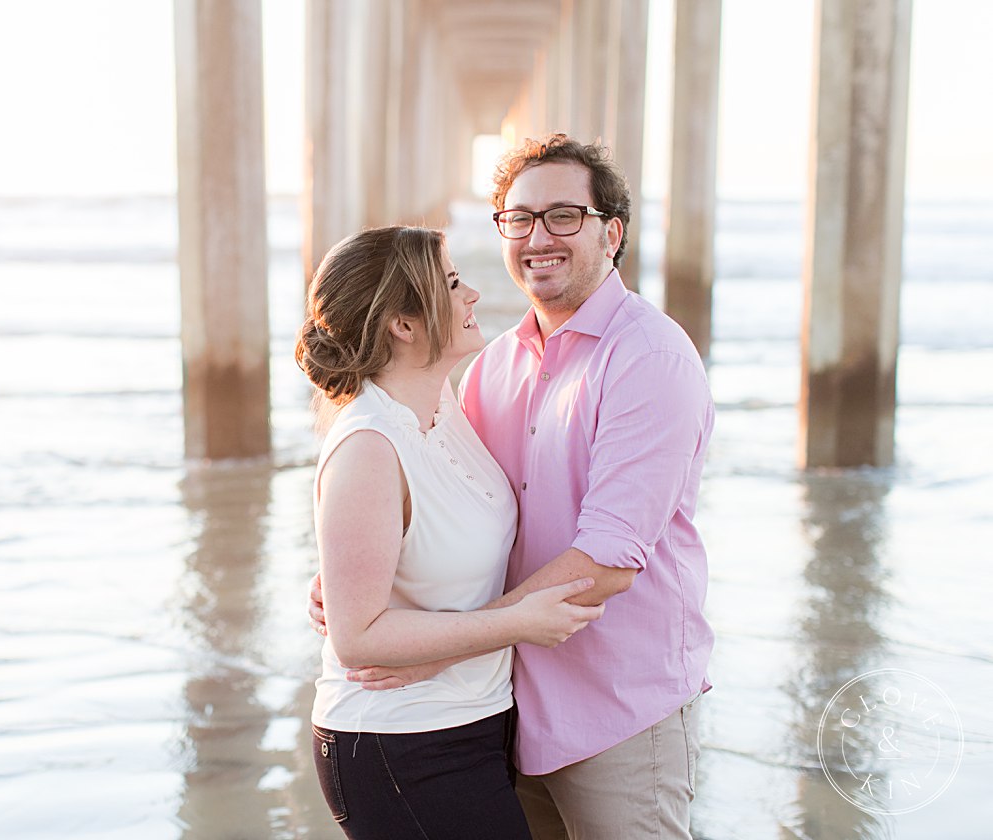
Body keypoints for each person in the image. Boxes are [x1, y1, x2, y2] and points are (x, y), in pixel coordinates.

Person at [310, 135, 715, 839]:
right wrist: (349, 580)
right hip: (503, 712)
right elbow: (431, 504)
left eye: (563, 215)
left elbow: (607, 562)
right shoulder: (490, 368)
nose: (537, 238)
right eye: (519, 218)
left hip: (613, 709)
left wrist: (433, 648)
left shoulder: (649, 359)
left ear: (611, 233)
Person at [296, 224, 605, 840]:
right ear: (403, 325)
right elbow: (358, 641)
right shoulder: (369, 446)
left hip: (475, 723)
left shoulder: (445, 406)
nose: (473, 296)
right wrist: (517, 624)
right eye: (453, 283)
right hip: (399, 743)